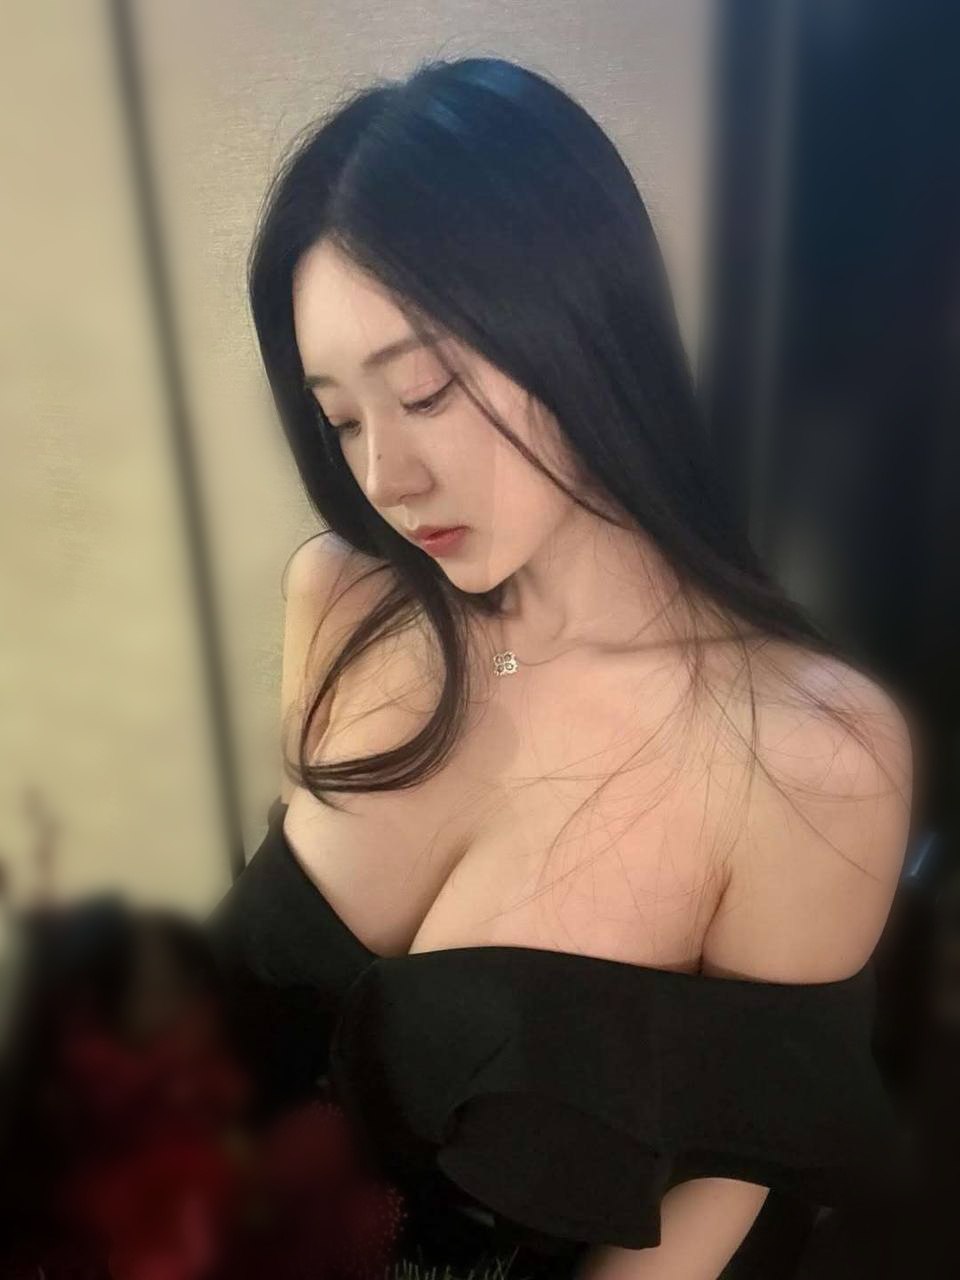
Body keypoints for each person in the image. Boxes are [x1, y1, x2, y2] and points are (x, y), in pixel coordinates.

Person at [208, 54, 916, 1280]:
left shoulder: (812, 754)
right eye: (342, 416)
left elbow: (715, 1190)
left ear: (581, 324)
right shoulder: (343, 599)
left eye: (426, 389)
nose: (386, 477)